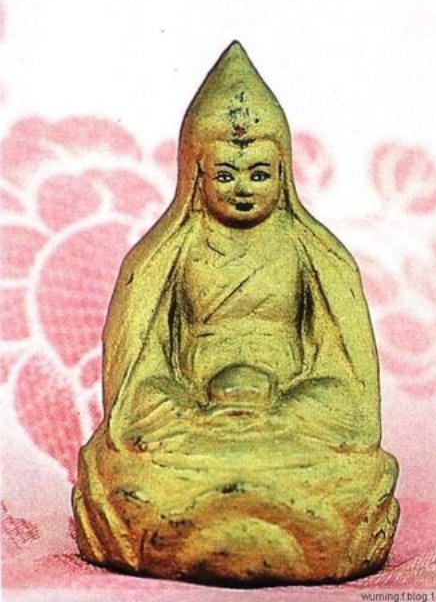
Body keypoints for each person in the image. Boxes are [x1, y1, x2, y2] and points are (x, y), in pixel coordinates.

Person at [73, 41, 399, 584]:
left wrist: (288, 403)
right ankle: (251, 513)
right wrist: (190, 404)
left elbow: (348, 379)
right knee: (128, 468)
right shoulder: (165, 256)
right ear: (196, 173)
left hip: (290, 417)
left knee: (346, 460)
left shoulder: (315, 255)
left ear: (284, 172)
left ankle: (243, 509)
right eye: (225, 174)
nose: (243, 188)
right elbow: (137, 377)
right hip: (193, 417)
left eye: (259, 173)